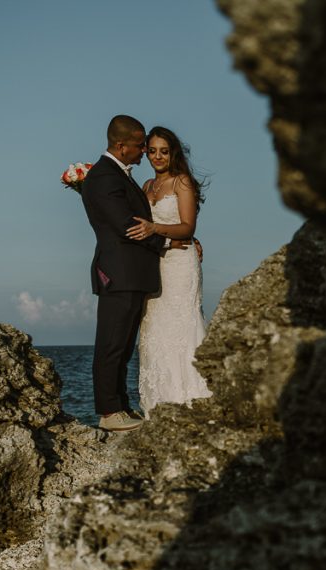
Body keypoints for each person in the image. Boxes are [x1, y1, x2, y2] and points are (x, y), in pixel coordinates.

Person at [81, 115, 194, 431]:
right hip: (119, 273)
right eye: (140, 144)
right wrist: (171, 242)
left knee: (123, 344)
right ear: (121, 145)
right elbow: (128, 226)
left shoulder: (118, 175)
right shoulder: (105, 177)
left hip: (132, 274)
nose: (144, 150)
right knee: (111, 344)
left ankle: (120, 405)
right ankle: (107, 412)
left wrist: (185, 237)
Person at [125, 126, 212, 413]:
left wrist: (155, 227)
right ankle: (157, 404)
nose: (158, 156)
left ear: (173, 152)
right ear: (146, 153)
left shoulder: (181, 182)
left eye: (164, 151)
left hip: (180, 265)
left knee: (182, 326)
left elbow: (188, 226)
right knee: (155, 330)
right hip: (156, 262)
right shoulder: (147, 186)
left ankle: (191, 399)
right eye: (152, 151)